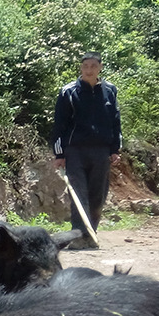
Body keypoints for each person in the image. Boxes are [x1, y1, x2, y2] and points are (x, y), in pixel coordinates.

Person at [51, 51, 121, 249]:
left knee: (98, 194)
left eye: (93, 66)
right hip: (75, 151)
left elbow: (115, 122)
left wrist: (115, 149)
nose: (88, 70)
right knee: (78, 193)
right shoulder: (68, 92)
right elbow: (60, 125)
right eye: (85, 66)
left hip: (101, 151)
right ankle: (79, 236)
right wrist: (59, 154)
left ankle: (91, 234)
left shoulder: (110, 91)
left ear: (100, 67)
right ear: (81, 68)